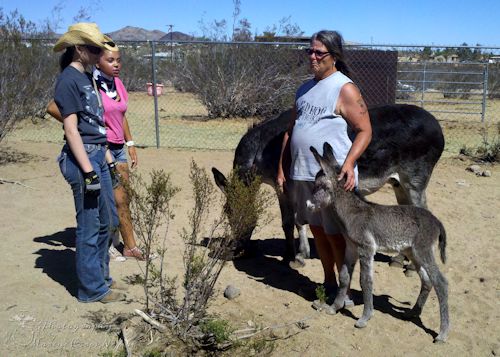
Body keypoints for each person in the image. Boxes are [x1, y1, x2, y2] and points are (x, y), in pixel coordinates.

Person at [277, 30, 372, 309]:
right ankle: (328, 281)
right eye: (310, 51)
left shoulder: (345, 88)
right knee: (318, 230)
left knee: (336, 234)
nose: (313, 57)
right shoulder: (303, 89)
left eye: (320, 52)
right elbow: (290, 130)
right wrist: (282, 168)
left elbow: (365, 130)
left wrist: (350, 163)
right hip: (304, 173)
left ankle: (345, 291)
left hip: (331, 178)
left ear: (335, 56)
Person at [48, 42, 148, 261]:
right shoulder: (87, 82)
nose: (116, 65)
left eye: (118, 60)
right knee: (109, 200)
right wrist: (84, 128)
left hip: (118, 148)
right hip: (99, 148)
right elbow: (54, 107)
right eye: (110, 60)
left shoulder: (117, 84)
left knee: (122, 199)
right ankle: (110, 246)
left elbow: (120, 115)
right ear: (98, 61)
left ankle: (129, 246)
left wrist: (130, 144)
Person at [52, 23, 126, 303]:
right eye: (95, 49)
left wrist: (108, 160)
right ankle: (91, 290)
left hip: (98, 154)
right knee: (89, 224)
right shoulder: (69, 80)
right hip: (82, 158)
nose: (99, 54)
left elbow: (95, 125)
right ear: (79, 49)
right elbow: (72, 130)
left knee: (108, 220)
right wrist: (88, 170)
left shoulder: (88, 77)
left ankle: (102, 280)